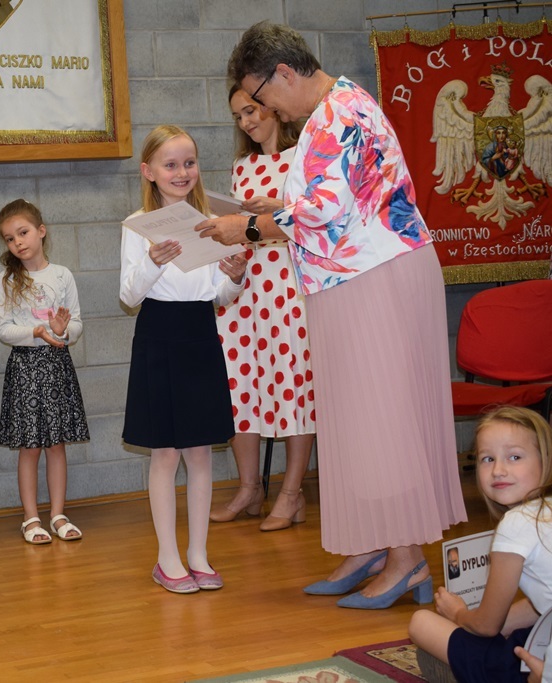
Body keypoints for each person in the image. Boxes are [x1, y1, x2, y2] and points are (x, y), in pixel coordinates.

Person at [200, 22, 466, 608]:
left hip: (374, 276)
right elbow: (337, 198)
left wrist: (246, 226)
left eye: (263, 96)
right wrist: (278, 205)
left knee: (382, 418)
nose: (269, 109)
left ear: (284, 73)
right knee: (355, 419)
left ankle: (406, 561)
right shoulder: (336, 107)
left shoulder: (337, 113)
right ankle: (373, 545)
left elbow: (324, 211)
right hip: (357, 274)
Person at [121, 125, 248, 594]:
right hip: (158, 335)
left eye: (189, 163)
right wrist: (153, 261)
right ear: (149, 171)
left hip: (199, 334)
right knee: (165, 452)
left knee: (200, 452)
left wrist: (235, 276)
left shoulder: (212, 222)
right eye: (171, 164)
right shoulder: (137, 225)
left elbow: (219, 294)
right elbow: (128, 295)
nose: (182, 172)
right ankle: (167, 557)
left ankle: (198, 553)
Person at [209, 84, 317, 532]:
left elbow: (318, 219)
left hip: (287, 287)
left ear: (272, 107)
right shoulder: (243, 165)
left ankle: (292, 493)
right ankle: (250, 488)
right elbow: (239, 227)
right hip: (244, 288)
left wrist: (280, 209)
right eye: (238, 116)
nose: (247, 122)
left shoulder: (303, 156)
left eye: (251, 110)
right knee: (240, 387)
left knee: (292, 385)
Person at [408, 406, 552, 682]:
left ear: (546, 461)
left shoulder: (517, 523)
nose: (498, 470)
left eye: (514, 457)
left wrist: (459, 613)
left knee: (421, 623)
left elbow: (487, 626)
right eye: (487, 459)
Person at [0, 198, 89, 544]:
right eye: (9, 238)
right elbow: (4, 329)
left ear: (41, 231)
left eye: (23, 233)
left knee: (57, 444)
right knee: (30, 446)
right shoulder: (7, 279)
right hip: (25, 368)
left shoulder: (62, 275)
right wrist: (36, 332)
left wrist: (62, 331)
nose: (17, 242)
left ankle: (58, 514)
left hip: (57, 366)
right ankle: (31, 517)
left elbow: (76, 324)